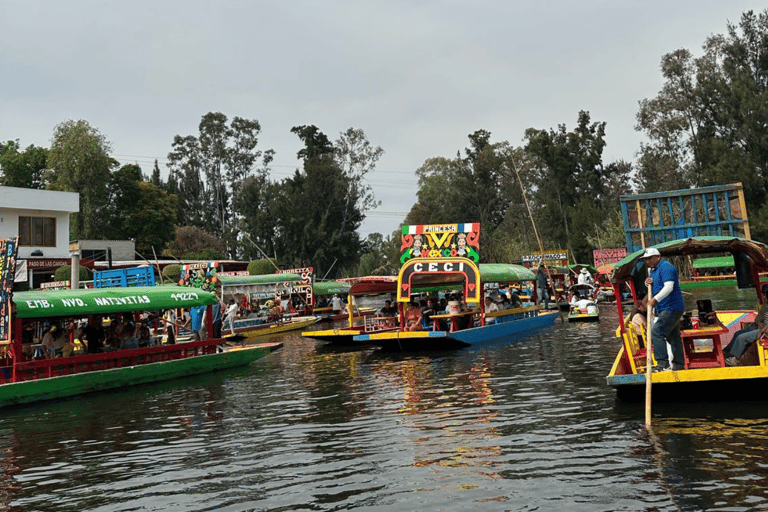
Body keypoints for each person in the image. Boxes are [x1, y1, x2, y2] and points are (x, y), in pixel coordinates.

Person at [642, 247, 685, 371]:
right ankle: (678, 364)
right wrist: (647, 282)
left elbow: (669, 287)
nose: (648, 261)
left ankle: (662, 364)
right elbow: (654, 283)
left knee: (657, 332)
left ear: (658, 256)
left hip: (671, 307)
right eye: (646, 259)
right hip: (665, 308)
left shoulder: (666, 267)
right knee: (674, 337)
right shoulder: (654, 270)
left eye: (650, 258)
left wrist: (655, 299)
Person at [723, 284, 768, 365]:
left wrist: (761, 330)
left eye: (765, 293)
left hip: (764, 330)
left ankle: (734, 358)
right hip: (760, 326)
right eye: (763, 293)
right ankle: (727, 352)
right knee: (738, 333)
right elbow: (760, 317)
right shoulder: (765, 303)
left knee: (741, 338)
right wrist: (758, 323)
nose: (764, 295)